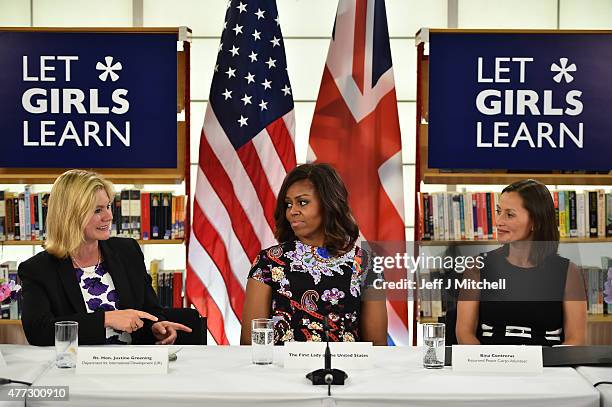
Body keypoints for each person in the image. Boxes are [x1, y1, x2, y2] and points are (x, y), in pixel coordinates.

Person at [18, 169, 191, 346]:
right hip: (77, 369)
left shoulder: (128, 251)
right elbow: (39, 332)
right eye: (97, 210)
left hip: (133, 364)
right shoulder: (37, 269)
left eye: (108, 206)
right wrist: (106, 319)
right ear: (70, 216)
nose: (108, 217)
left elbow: (150, 310)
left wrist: (156, 327)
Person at [240, 163, 387, 345]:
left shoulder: (366, 264)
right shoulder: (269, 262)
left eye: (302, 202)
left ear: (328, 204)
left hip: (347, 371)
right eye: (288, 204)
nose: (292, 211)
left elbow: (377, 346)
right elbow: (250, 343)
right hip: (280, 372)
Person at [456, 179, 587, 345]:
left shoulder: (569, 272)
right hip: (490, 364)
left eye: (509, 214)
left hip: (547, 367)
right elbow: (464, 333)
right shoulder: (477, 266)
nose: (498, 221)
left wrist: (543, 367)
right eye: (498, 211)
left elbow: (576, 339)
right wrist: (486, 363)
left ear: (536, 222)